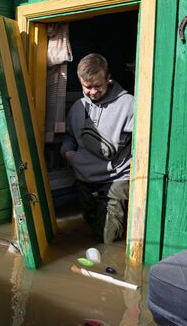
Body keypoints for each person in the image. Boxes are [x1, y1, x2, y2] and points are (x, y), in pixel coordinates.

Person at [61, 53, 134, 244]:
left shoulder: (129, 105)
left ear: (108, 78)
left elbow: (144, 144)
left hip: (116, 180)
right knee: (89, 227)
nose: (93, 92)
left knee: (107, 238)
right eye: (87, 87)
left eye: (97, 86)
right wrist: (68, 153)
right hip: (83, 180)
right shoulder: (78, 107)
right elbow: (69, 136)